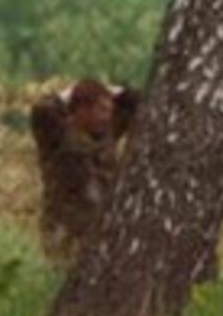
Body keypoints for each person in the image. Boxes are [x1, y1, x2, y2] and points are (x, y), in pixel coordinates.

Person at [30, 79, 141, 262]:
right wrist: (71, 91)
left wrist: (114, 90)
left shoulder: (108, 134)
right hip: (65, 228)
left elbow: (137, 102)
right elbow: (42, 109)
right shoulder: (56, 134)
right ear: (82, 109)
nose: (106, 117)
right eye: (101, 110)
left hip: (104, 226)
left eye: (109, 111)